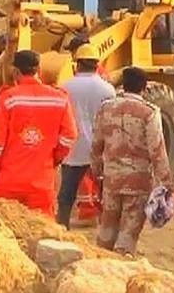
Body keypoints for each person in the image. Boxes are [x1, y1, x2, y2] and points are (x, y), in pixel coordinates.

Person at [0, 50, 78, 216]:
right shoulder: (60, 98)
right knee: (42, 232)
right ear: (38, 70)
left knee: (7, 233)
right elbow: (70, 136)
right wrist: (54, 157)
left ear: (15, 72)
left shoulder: (8, 98)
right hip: (42, 181)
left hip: (9, 181)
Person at [91, 66, 173, 254]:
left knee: (107, 227)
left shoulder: (106, 108)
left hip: (111, 179)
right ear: (144, 88)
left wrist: (96, 172)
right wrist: (167, 183)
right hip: (138, 181)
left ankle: (102, 262)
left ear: (123, 85)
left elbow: (97, 144)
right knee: (128, 231)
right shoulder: (149, 112)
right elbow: (157, 150)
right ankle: (121, 266)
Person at [57, 44, 116, 229]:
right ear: (96, 65)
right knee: (105, 192)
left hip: (74, 148)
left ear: (78, 64)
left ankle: (62, 226)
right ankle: (106, 228)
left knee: (66, 194)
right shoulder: (108, 90)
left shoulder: (65, 88)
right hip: (100, 149)